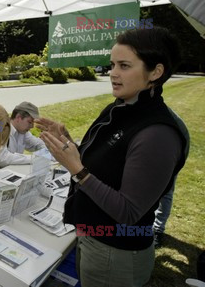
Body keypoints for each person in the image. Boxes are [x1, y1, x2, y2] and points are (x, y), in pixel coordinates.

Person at [36, 27, 189, 287]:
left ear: (156, 72)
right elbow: (105, 162)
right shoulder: (124, 106)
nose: (113, 73)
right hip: (93, 238)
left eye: (125, 65)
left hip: (116, 252)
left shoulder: (157, 134)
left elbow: (128, 211)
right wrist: (68, 142)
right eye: (112, 64)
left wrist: (76, 169)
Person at [153, 109, 190, 248]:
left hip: (174, 150)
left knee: (165, 191)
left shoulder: (166, 121)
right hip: (152, 146)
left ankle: (157, 229)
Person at [0, 101, 46, 170]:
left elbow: (37, 144)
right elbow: (3, 159)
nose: (32, 126)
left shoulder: (23, 132)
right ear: (18, 117)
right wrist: (34, 158)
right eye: (30, 122)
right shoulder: (1, 130)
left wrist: (48, 150)